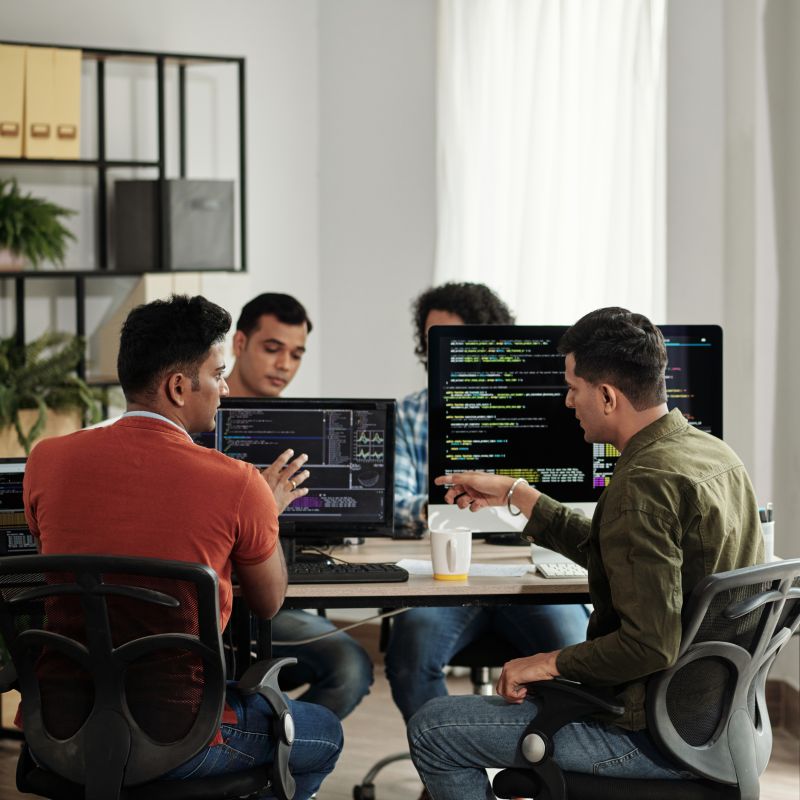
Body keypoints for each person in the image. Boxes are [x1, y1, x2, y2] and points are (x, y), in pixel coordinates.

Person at [407, 307, 764, 800]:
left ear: (608, 396)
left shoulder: (643, 484)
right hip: (717, 724)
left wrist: (544, 663)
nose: (568, 400)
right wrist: (518, 495)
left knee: (433, 729)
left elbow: (648, 646)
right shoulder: (713, 454)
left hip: (650, 736)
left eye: (573, 387)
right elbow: (619, 551)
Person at [23, 295, 342, 798]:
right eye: (218, 374)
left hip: (59, 731)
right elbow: (269, 602)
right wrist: (267, 512)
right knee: (324, 733)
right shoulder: (239, 482)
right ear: (177, 387)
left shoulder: (46, 459)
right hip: (181, 736)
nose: (225, 388)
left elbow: (64, 561)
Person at [386, 282, 588, 724]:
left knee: (579, 652)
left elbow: (570, 504)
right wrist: (451, 507)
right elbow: (395, 503)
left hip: (533, 574)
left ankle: (533, 755)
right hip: (447, 579)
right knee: (410, 657)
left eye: (455, 340)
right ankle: (447, 756)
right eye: (432, 340)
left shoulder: (548, 409)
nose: (441, 351)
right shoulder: (412, 413)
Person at [225, 292, 374, 720]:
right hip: (211, 603)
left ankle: (281, 747)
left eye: (296, 354)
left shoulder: (301, 428)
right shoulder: (199, 418)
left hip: (278, 595)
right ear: (240, 343)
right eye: (273, 348)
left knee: (351, 667)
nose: (285, 365)